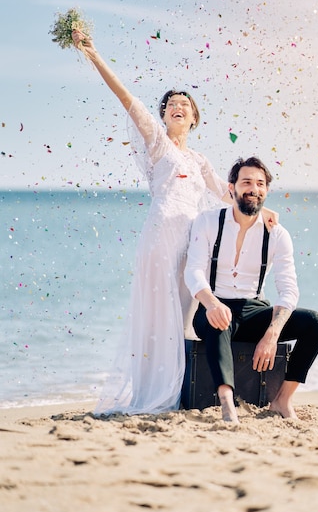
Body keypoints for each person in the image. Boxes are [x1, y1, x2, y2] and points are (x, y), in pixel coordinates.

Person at [70, 31, 277, 415]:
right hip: (161, 235)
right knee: (156, 315)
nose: (177, 106)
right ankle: (154, 392)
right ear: (164, 115)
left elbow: (227, 193)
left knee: (183, 317)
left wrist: (262, 211)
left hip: (192, 241)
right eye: (171, 104)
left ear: (195, 118)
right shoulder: (158, 143)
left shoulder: (199, 160)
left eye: (185, 104)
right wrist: (93, 54)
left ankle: (182, 390)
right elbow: (128, 100)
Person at [184, 156, 318, 423]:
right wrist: (211, 303)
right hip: (213, 305)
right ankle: (227, 403)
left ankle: (282, 400)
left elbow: (288, 290)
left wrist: (272, 333)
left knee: (315, 323)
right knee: (219, 322)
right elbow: (192, 272)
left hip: (254, 309)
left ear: (266, 191)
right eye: (246, 182)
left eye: (260, 183)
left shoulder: (277, 234)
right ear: (231, 188)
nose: (254, 188)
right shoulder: (208, 222)